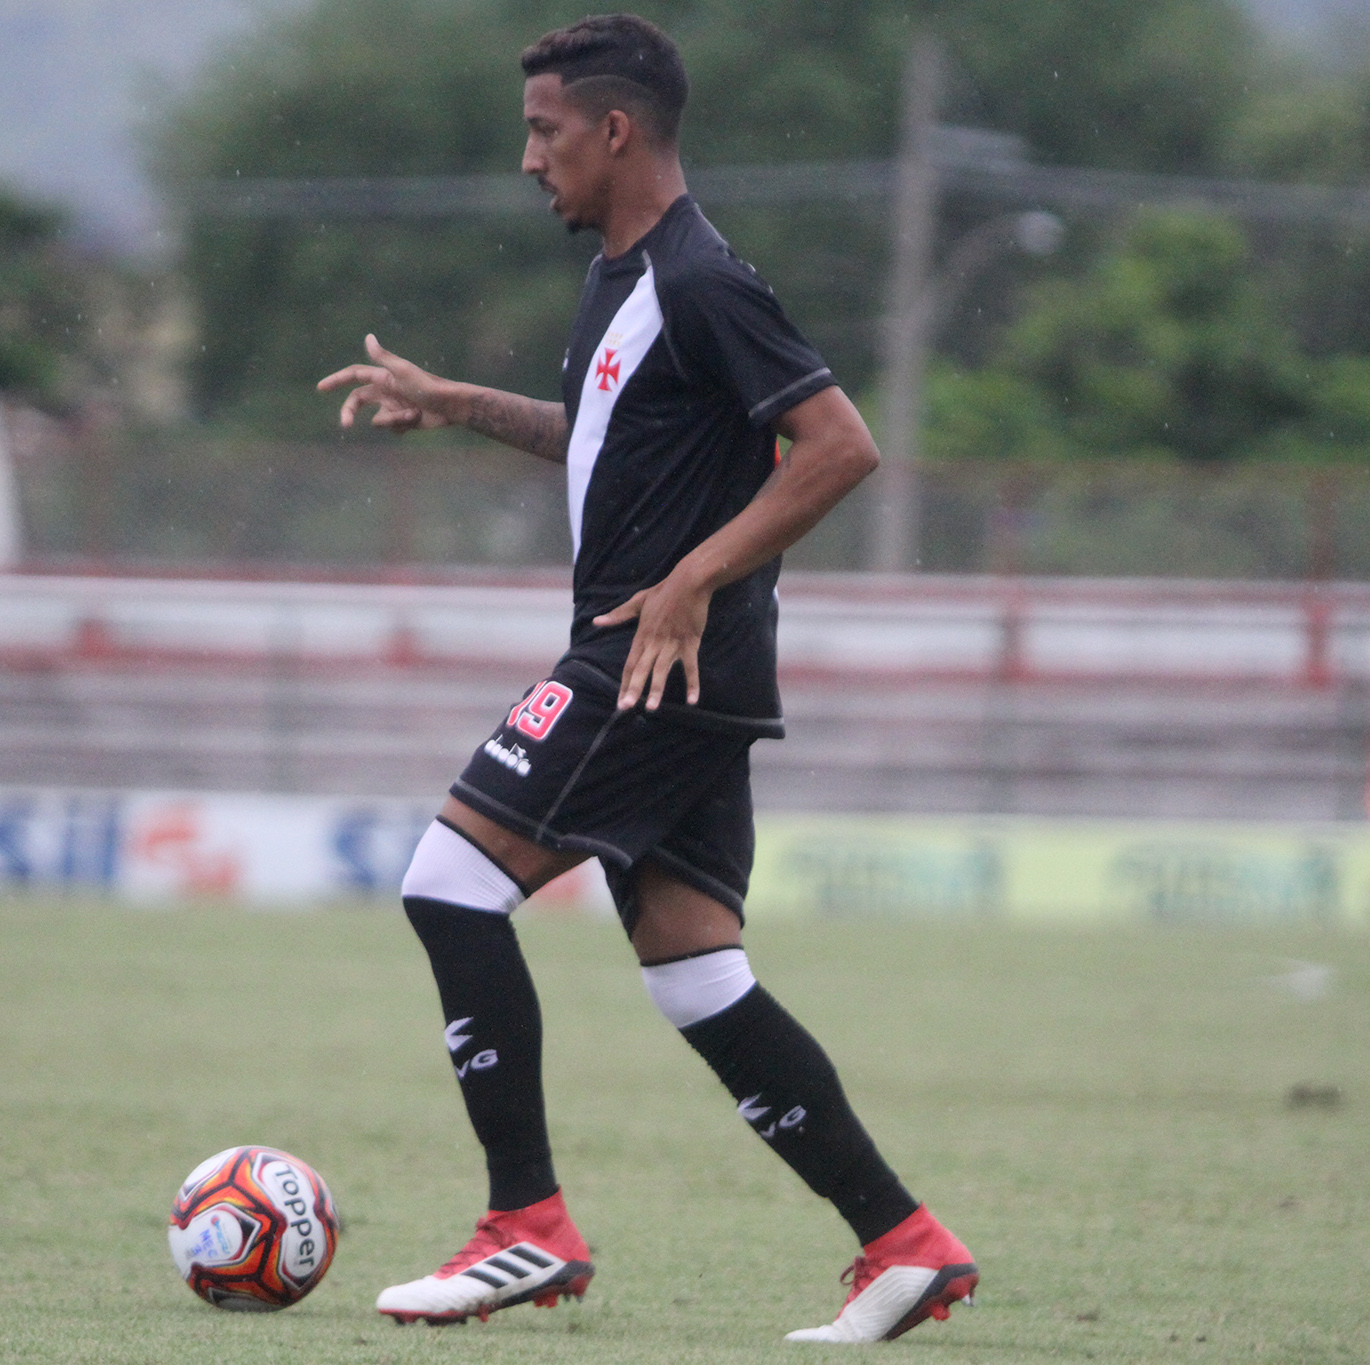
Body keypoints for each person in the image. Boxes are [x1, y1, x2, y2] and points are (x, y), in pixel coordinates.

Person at [318, 15, 975, 1344]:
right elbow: (608, 439)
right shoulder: (625, 280)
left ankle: (524, 1225)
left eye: (545, 131)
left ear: (615, 131)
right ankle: (905, 1245)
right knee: (695, 973)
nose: (528, 159)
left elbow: (839, 447)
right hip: (681, 666)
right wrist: (460, 402)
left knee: (448, 883)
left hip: (651, 657)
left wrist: (689, 580)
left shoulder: (702, 278)